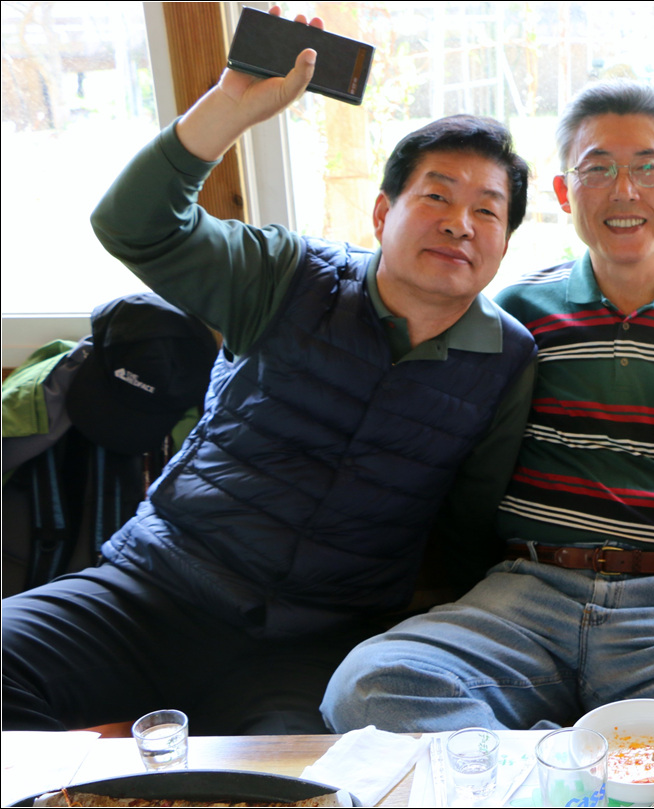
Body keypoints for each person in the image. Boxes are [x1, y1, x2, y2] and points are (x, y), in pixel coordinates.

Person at [2, 11, 537, 735]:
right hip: (156, 589)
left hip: (316, 644)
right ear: (383, 212)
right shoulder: (286, 273)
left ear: (503, 243)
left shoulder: (506, 358)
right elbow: (134, 225)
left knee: (306, 778)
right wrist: (231, 105)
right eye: (436, 196)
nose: (459, 223)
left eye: (487, 211)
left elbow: (471, 521)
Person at [321, 80, 654, 732]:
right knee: (367, 684)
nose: (624, 191)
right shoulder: (516, 314)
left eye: (648, 169)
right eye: (597, 169)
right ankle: (578, 761)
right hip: (526, 593)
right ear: (563, 192)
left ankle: (553, 755)